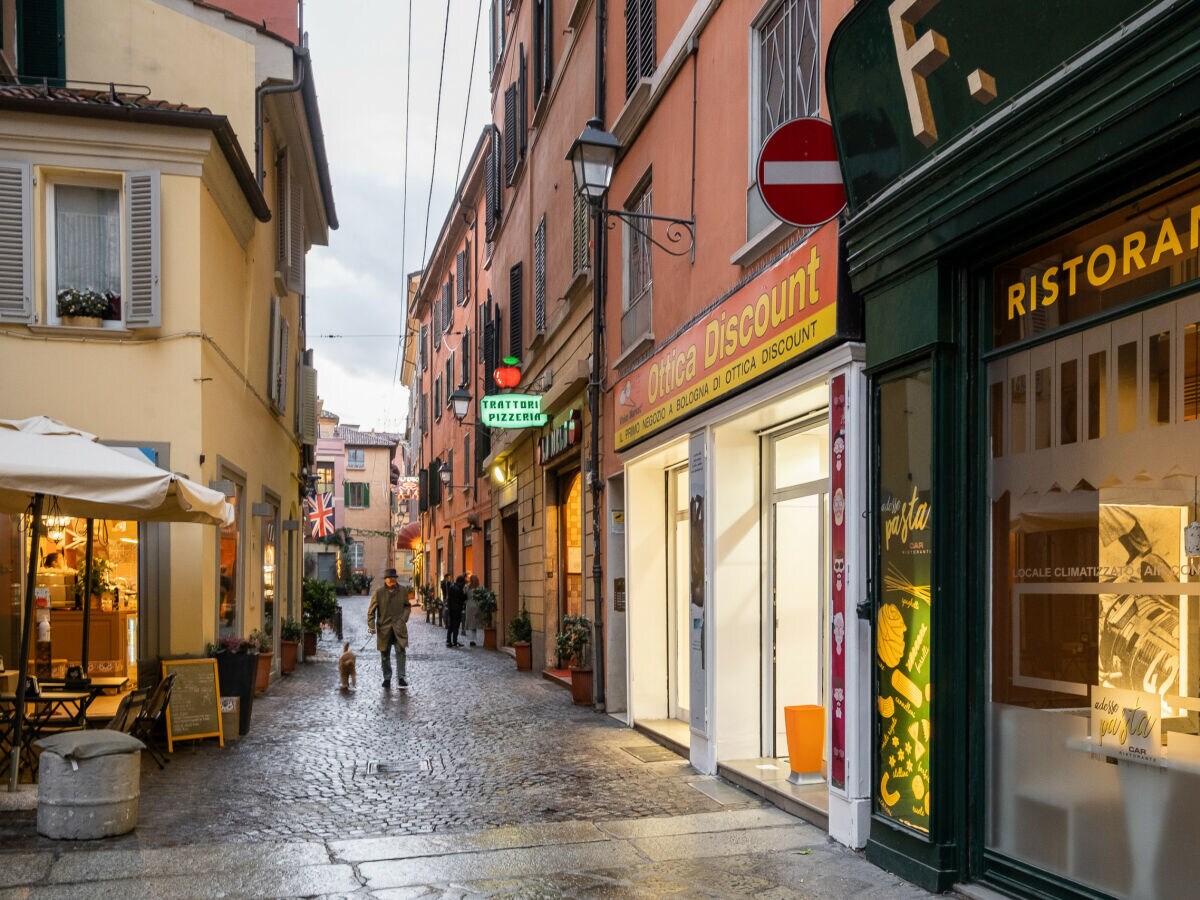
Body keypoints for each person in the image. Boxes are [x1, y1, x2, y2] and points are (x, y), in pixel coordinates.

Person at [367, 568, 411, 689]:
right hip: (384, 628)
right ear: (385, 580)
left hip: (399, 627)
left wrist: (403, 619)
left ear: (396, 579)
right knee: (384, 654)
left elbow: (407, 606)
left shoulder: (403, 591)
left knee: (401, 651)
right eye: (389, 578)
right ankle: (387, 678)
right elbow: (371, 611)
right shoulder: (379, 592)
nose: (392, 580)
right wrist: (371, 626)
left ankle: (401, 677)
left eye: (394, 578)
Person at [445, 574, 468, 648]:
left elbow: (449, 599)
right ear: (461, 582)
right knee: (456, 626)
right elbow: (463, 598)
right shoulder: (459, 589)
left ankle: (449, 641)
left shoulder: (452, 587)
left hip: (451, 609)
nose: (464, 584)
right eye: (463, 582)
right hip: (457, 610)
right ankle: (454, 641)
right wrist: (466, 594)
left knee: (451, 625)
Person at [462, 574, 481, 647]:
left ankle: (471, 639)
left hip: (469, 605)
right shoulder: (479, 588)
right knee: (474, 623)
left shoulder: (467, 587)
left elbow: (464, 595)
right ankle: (473, 639)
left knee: (470, 623)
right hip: (476, 605)